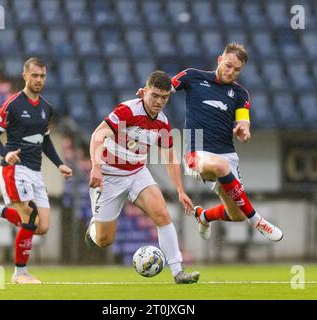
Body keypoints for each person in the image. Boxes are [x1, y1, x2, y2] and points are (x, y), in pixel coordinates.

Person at [86, 71, 200, 284]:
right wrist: (95, 167)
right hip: (109, 175)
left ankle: (178, 271)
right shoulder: (127, 111)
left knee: (162, 214)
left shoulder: (163, 123)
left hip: (137, 172)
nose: (159, 101)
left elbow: (170, 157)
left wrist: (180, 191)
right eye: (154, 95)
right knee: (103, 240)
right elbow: (97, 135)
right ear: (145, 91)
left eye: (164, 97)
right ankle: (93, 228)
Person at [169, 43, 283, 242]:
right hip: (196, 151)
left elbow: (243, 121)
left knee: (237, 215)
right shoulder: (193, 76)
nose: (231, 72)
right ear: (219, 60)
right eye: (228, 65)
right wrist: (149, 91)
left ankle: (204, 216)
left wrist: (243, 130)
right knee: (220, 167)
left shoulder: (240, 94)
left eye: (237, 70)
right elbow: (166, 88)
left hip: (227, 154)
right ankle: (257, 220)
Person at [0, 57, 73, 284]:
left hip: (35, 171)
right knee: (30, 216)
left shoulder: (46, 108)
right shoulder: (12, 104)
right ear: (25, 76)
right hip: (14, 169)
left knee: (42, 226)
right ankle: (20, 273)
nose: (39, 80)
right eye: (34, 75)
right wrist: (5, 154)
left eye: (42, 76)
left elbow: (45, 140)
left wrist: (59, 163)